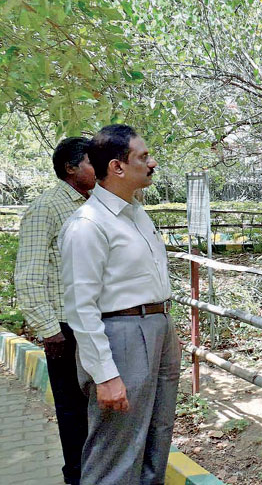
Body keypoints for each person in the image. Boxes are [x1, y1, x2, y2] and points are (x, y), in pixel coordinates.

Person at [59, 125, 180, 485]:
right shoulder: (88, 225)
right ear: (117, 167)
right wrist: (106, 375)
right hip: (123, 335)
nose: (152, 162)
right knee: (116, 450)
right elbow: (81, 307)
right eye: (143, 157)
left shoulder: (136, 214)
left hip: (158, 327)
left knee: (156, 439)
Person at [15, 137, 94, 485]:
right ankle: (76, 476)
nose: (102, 167)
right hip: (65, 327)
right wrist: (49, 330)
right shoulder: (47, 208)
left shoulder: (96, 204)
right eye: (93, 161)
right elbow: (28, 274)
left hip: (95, 321)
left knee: (98, 406)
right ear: (71, 168)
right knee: (73, 410)